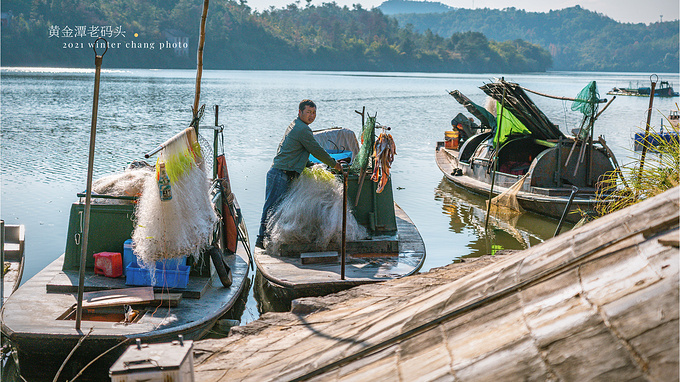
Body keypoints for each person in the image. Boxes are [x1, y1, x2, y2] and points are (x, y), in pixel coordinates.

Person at [255, 99, 343, 249]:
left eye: (314, 112)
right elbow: (316, 150)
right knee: (271, 208)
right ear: (300, 112)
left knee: (275, 209)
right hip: (280, 175)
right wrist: (334, 164)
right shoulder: (302, 129)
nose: (311, 115)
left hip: (281, 173)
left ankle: (266, 240)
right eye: (308, 112)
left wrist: (308, 164)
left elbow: (294, 151)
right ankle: (261, 239)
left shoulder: (295, 125)